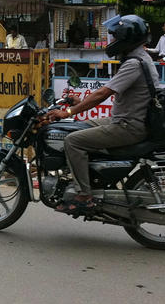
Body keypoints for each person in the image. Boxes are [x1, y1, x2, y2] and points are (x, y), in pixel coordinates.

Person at [44, 15, 156, 215]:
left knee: (72, 141)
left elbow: (102, 93)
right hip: (127, 120)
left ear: (126, 38)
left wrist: (67, 112)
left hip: (128, 126)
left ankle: (84, 196)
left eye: (114, 37)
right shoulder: (140, 58)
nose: (111, 41)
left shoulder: (134, 64)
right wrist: (79, 106)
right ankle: (90, 177)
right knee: (80, 126)